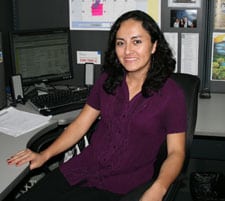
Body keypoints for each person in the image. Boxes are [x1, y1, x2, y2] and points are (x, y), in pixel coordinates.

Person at [7, 10, 186, 201]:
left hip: (121, 185)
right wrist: (45, 155)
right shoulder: (108, 80)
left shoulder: (171, 94)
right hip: (81, 168)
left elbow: (177, 152)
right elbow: (80, 125)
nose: (127, 51)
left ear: (154, 46)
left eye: (137, 41)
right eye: (120, 43)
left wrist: (159, 188)